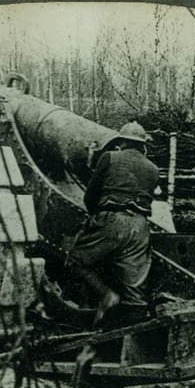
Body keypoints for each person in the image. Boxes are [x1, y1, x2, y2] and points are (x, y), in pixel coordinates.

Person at [68, 121, 159, 326]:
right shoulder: (153, 169)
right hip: (140, 227)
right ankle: (133, 334)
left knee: (76, 260)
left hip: (112, 219)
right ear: (143, 145)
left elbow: (90, 196)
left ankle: (107, 295)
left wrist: (96, 218)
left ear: (122, 141)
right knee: (135, 292)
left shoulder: (109, 157)